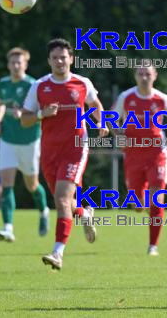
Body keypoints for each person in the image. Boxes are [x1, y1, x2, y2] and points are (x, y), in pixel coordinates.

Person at [21, 38, 109, 270]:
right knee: (66, 203)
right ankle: (85, 213)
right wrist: (42, 113)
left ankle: (58, 252)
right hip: (49, 151)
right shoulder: (39, 86)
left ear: (71, 59)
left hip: (76, 148)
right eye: (55, 58)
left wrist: (101, 122)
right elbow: (25, 119)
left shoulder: (82, 83)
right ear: (49, 61)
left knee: (61, 200)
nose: (60, 61)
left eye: (64, 57)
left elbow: (96, 105)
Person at [112, 61, 167, 256]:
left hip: (157, 155)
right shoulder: (126, 97)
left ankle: (153, 245)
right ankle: (142, 203)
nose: (144, 77)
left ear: (155, 76)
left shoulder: (161, 99)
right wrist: (119, 134)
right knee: (137, 206)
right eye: (140, 74)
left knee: (157, 199)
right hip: (133, 156)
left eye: (148, 74)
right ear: (135, 76)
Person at [0, 47, 49, 242]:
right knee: (6, 184)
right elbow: (1, 103)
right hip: (7, 140)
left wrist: (23, 115)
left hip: (29, 141)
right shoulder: (3, 83)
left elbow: (41, 115)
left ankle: (44, 211)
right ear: (8, 64)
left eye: (20, 62)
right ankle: (8, 228)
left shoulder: (33, 85)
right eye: (13, 62)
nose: (16, 65)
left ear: (25, 64)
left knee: (32, 185)